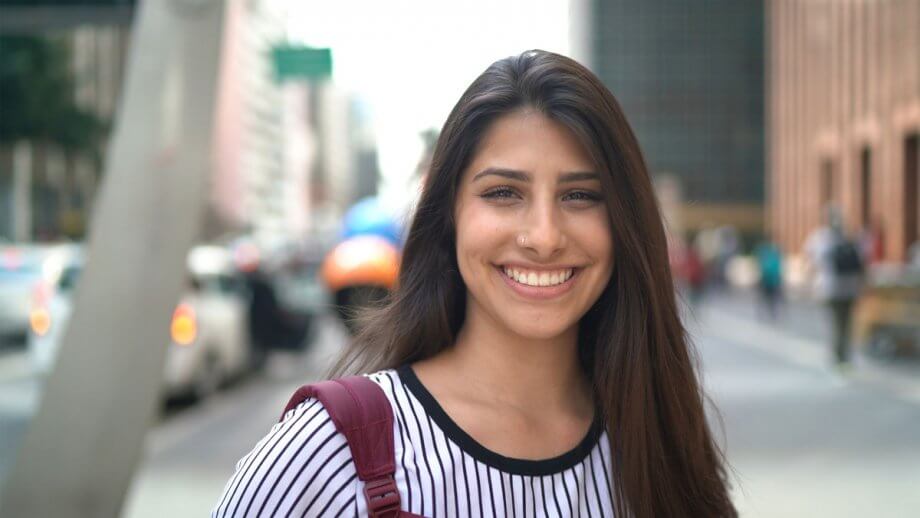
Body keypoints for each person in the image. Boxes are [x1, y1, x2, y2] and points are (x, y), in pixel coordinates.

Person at [212, 50, 736, 517]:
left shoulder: (656, 443)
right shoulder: (329, 454)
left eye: (579, 196)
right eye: (504, 192)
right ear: (449, 215)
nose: (544, 237)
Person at [804, 207, 865, 365]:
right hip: (850, 287)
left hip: (831, 288)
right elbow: (862, 264)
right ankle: (844, 354)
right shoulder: (850, 237)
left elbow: (812, 263)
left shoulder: (821, 239)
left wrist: (810, 285)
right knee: (847, 323)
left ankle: (838, 355)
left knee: (836, 323)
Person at [754, 236, 784, 320]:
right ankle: (766, 312)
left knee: (772, 297)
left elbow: (778, 267)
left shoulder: (774, 253)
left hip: (773, 279)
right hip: (767, 279)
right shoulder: (766, 252)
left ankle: (772, 312)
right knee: (765, 297)